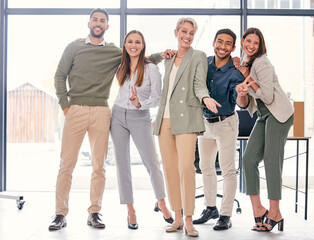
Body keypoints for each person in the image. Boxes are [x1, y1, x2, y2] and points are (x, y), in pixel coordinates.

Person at [49, 8, 172, 231]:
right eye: (94, 19)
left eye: (102, 20)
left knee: (99, 166)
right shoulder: (74, 47)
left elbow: (138, 58)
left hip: (102, 112)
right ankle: (60, 213)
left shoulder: (115, 52)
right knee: (66, 164)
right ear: (88, 24)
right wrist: (66, 106)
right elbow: (59, 76)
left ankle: (94, 211)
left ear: (107, 26)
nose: (98, 23)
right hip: (75, 109)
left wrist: (161, 56)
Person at [153, 17, 220, 238]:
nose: (188, 36)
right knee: (171, 170)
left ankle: (190, 220)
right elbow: (166, 90)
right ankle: (178, 218)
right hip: (165, 121)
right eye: (184, 31)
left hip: (187, 118)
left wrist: (205, 98)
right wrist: (158, 115)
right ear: (176, 32)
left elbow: (199, 84)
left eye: (191, 33)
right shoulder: (168, 58)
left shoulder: (198, 56)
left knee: (186, 168)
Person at [110, 30, 173, 230]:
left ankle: (161, 202)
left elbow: (158, 98)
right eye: (130, 42)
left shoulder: (152, 69)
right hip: (118, 115)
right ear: (125, 45)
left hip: (140, 116)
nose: (133, 45)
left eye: (138, 42)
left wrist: (139, 103)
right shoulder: (121, 66)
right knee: (122, 164)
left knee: (152, 162)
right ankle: (130, 210)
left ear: (143, 45)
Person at [235, 27, 294, 232]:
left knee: (271, 160)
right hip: (263, 115)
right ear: (243, 41)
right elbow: (243, 105)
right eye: (248, 41)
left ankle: (275, 212)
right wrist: (242, 90)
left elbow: (268, 97)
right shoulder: (246, 64)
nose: (251, 46)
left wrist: (247, 78)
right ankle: (258, 209)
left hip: (279, 114)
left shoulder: (262, 63)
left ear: (261, 46)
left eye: (256, 43)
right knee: (248, 159)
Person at [192, 29, 250, 231]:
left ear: (233, 48)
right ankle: (210, 208)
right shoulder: (204, 63)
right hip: (205, 123)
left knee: (227, 170)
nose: (223, 46)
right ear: (214, 42)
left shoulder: (235, 73)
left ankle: (225, 215)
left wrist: (242, 92)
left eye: (228, 44)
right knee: (206, 167)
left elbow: (242, 102)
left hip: (226, 123)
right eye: (220, 42)